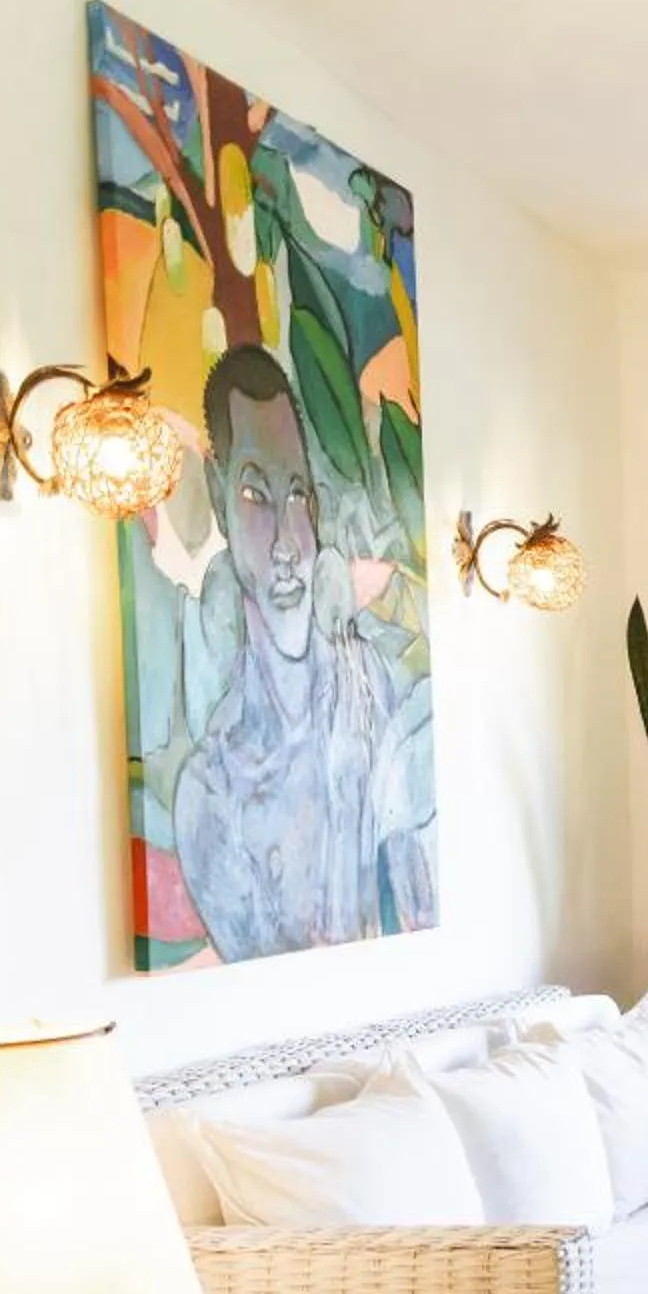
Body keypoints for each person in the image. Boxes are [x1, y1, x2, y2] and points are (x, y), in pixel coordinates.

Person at [173, 345, 431, 959]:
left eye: (296, 497)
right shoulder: (212, 799)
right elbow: (285, 1005)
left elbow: (416, 913)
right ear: (217, 497)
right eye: (256, 496)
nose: (288, 543)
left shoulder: (369, 682)